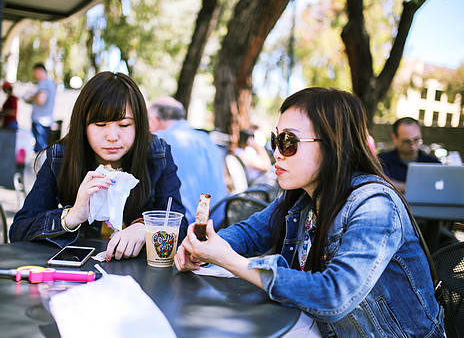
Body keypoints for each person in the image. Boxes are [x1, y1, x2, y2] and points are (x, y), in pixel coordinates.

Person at [175, 87, 445, 336]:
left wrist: (229, 260)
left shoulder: (375, 204)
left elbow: (334, 295)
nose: (276, 153)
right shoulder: (303, 196)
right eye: (275, 140)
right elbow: (251, 232)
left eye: (288, 141)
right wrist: (204, 247)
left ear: (332, 146)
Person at [10, 72, 187, 261]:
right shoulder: (61, 157)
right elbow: (19, 231)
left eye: (124, 124)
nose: (112, 136)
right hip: (77, 275)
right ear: (83, 125)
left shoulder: (157, 154)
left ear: (140, 124)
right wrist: (71, 217)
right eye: (100, 124)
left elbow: (180, 225)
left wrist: (145, 227)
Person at [148, 96, 228, 227]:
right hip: (219, 222)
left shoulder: (159, 142)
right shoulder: (207, 139)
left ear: (154, 120)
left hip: (183, 226)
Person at [378, 117, 440, 193]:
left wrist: (399, 186)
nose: (413, 147)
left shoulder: (434, 164)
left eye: (416, 140)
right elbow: (378, 183)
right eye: (406, 142)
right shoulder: (381, 160)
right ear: (395, 138)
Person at [24, 63, 57, 153]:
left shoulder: (43, 83)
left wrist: (31, 97)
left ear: (40, 71)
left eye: (35, 72)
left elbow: (41, 100)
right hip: (47, 120)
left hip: (40, 120)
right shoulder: (52, 83)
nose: (34, 75)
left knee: (40, 150)